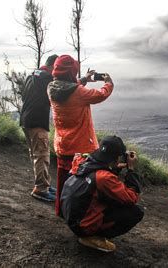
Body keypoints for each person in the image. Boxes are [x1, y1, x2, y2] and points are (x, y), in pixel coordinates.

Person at [48, 54, 114, 216]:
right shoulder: (78, 92)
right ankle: (79, 214)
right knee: (81, 183)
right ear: (71, 71)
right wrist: (109, 83)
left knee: (63, 180)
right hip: (81, 146)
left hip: (62, 144)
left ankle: (60, 210)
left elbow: (68, 89)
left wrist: (83, 79)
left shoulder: (51, 88)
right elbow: (100, 95)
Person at [61, 135, 144, 252]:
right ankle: (92, 237)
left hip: (72, 218)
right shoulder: (104, 178)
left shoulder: (82, 161)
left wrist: (115, 168)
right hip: (82, 227)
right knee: (135, 212)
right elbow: (132, 197)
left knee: (106, 197)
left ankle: (88, 230)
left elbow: (96, 174)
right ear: (116, 157)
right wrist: (131, 170)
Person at [20, 54, 58, 202]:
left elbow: (24, 96)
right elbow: (62, 92)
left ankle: (45, 184)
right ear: (53, 66)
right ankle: (40, 189)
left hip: (26, 120)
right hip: (37, 122)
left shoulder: (32, 76)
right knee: (42, 155)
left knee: (36, 154)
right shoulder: (47, 79)